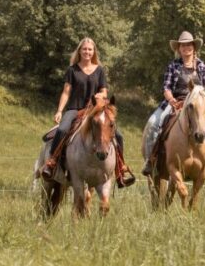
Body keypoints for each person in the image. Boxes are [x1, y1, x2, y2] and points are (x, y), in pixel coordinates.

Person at [41, 37, 135, 187]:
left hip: (94, 110)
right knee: (63, 129)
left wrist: (101, 96)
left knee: (118, 135)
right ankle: (51, 163)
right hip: (74, 108)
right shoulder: (72, 70)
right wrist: (60, 111)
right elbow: (66, 92)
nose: (87, 52)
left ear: (94, 52)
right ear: (80, 51)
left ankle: (120, 170)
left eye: (90, 49)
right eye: (84, 49)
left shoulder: (99, 70)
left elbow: (104, 91)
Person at [141, 31, 205, 178]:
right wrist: (172, 100)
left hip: (198, 106)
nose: (186, 48)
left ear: (194, 47)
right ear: (179, 48)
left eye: (189, 45)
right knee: (152, 124)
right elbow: (166, 88)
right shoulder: (173, 66)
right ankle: (150, 162)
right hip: (176, 102)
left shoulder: (201, 66)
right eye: (183, 45)